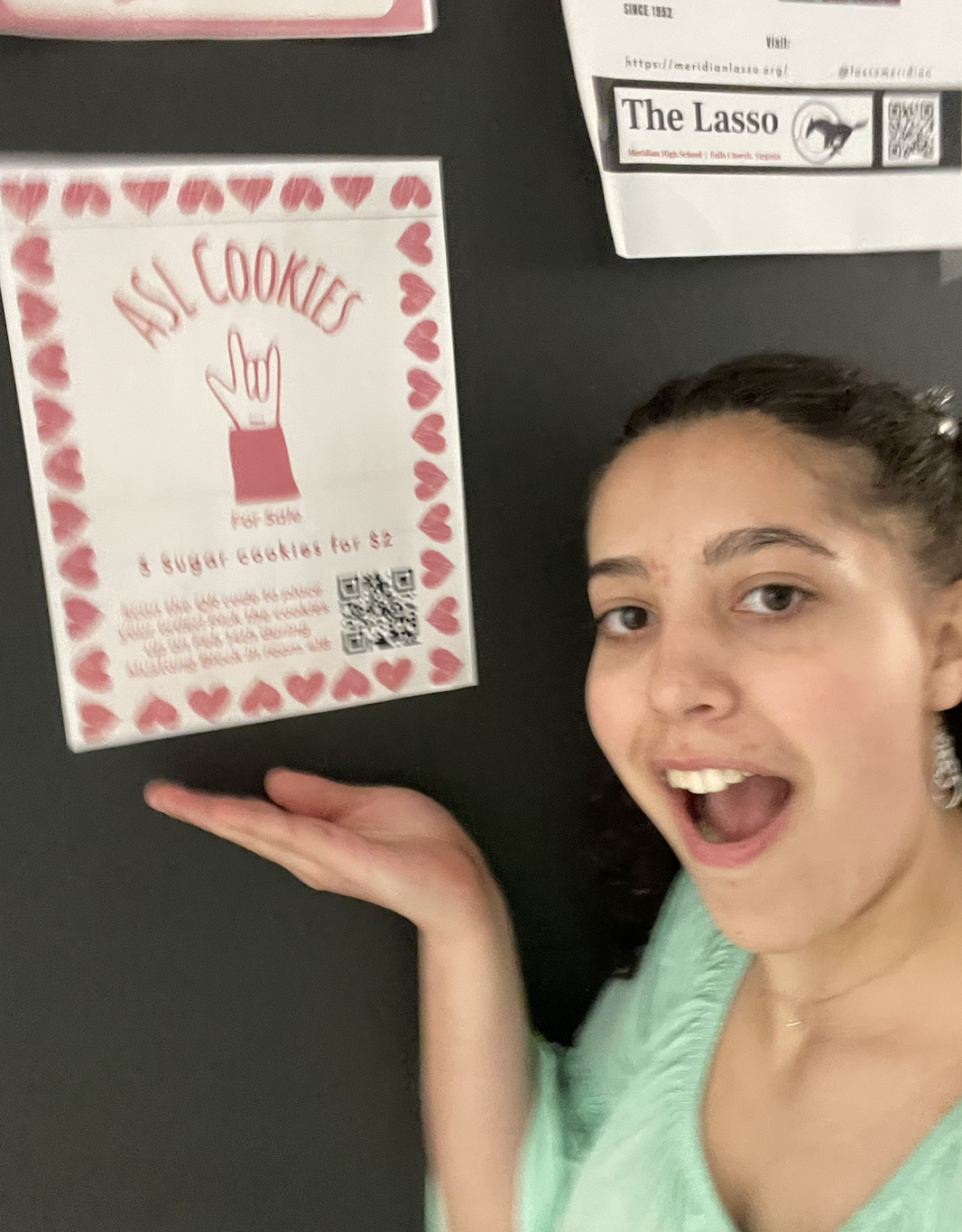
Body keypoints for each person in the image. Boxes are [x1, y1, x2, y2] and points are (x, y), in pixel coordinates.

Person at [144, 353, 962, 1232]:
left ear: (946, 644)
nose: (671, 683)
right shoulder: (707, 940)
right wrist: (461, 918)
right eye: (630, 616)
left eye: (772, 595)